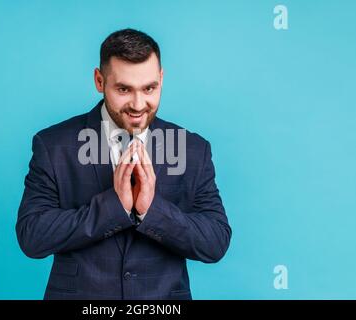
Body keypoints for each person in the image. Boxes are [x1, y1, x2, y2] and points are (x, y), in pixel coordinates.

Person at [16, 28, 231, 300]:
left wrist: (152, 210)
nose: (138, 104)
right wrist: (112, 207)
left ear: (161, 79)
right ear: (99, 80)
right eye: (123, 89)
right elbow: (32, 236)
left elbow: (215, 242)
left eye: (149, 88)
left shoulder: (193, 150)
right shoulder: (53, 145)